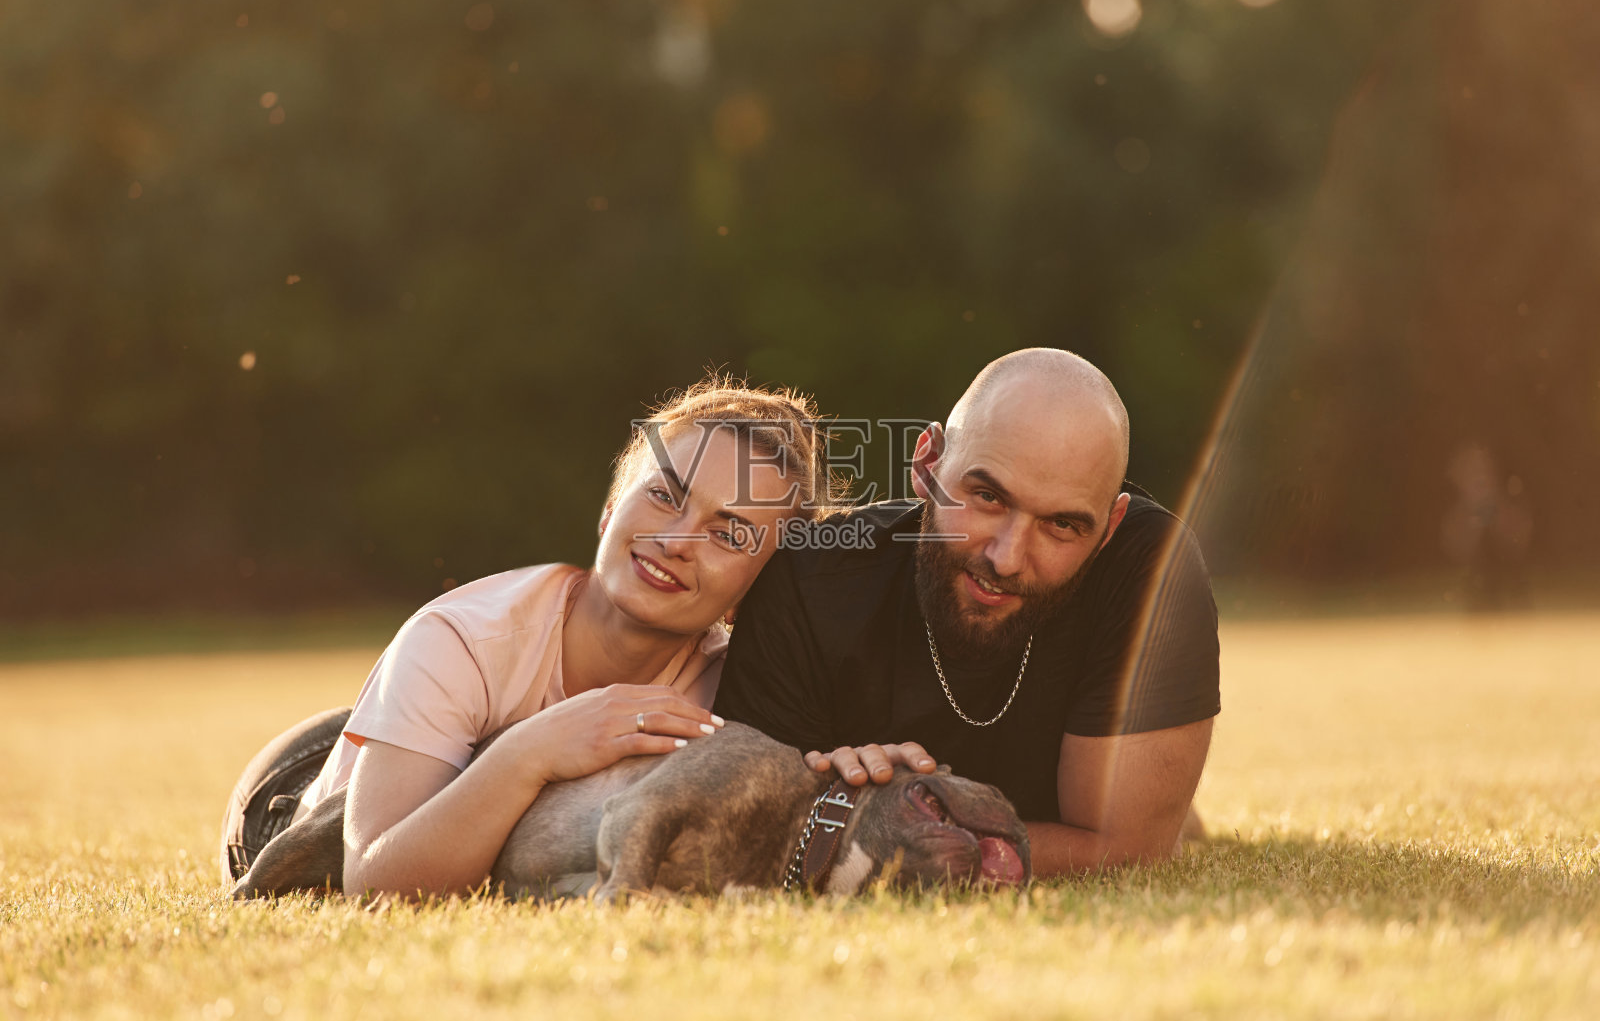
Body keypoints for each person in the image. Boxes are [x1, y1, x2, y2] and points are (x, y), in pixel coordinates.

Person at [220, 377, 835, 897]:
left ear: (761, 590)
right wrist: (534, 750)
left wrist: (855, 760)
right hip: (299, 808)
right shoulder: (462, 639)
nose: (676, 541)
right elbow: (374, 882)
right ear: (610, 509)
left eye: (728, 535)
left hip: (430, 749)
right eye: (662, 495)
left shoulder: (744, 691)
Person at [713, 348, 1220, 875]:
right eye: (987, 497)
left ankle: (1177, 810)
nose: (1006, 558)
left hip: (1079, 790)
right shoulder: (808, 584)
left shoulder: (1147, 567)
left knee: (1156, 817)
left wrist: (884, 837)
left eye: (1062, 526)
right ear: (927, 463)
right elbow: (745, 826)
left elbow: (1126, 850)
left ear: (1109, 528)